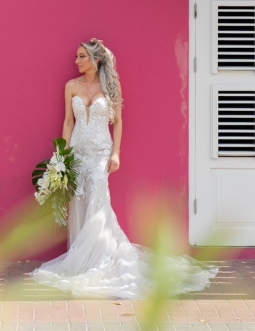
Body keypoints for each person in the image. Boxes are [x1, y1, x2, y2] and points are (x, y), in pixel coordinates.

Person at [31, 38, 218, 298]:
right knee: (79, 200)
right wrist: (62, 154)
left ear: (95, 60)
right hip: (76, 151)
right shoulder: (71, 86)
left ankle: (101, 258)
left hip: (100, 151)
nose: (76, 61)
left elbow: (117, 121)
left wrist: (116, 152)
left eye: (82, 56)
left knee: (98, 197)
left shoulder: (110, 87)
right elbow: (67, 122)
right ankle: (82, 258)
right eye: (77, 56)